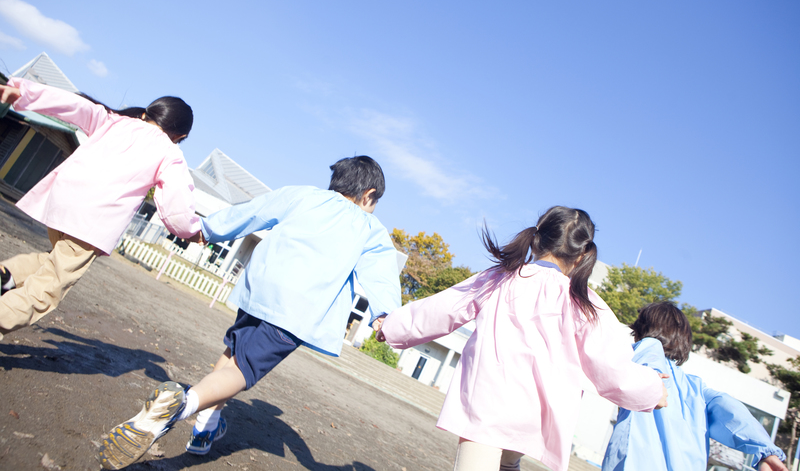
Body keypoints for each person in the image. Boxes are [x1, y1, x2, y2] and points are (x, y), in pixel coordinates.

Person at [98, 155, 402, 470]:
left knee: (233, 353)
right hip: (297, 311)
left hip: (260, 292)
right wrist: (385, 315)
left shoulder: (302, 195)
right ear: (368, 195)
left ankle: (205, 428)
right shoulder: (369, 228)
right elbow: (380, 273)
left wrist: (209, 229)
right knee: (243, 370)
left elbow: (254, 212)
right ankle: (179, 407)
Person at [377, 206, 669, 471]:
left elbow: (442, 309)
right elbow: (610, 366)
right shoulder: (585, 304)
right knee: (509, 463)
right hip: (535, 415)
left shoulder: (500, 278)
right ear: (582, 255)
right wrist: (652, 390)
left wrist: (391, 326)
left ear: (536, 241)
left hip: (486, 403)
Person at [0, 78, 202, 339]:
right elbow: (176, 205)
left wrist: (22, 92)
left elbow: (74, 105)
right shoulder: (170, 154)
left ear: (148, 113)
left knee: (56, 260)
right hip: (90, 223)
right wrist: (191, 231)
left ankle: (7, 274)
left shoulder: (113, 121)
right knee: (45, 291)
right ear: (180, 136)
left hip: (60, 205)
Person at [602, 302, 788, 471]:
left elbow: (649, 358)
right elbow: (731, 411)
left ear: (640, 331)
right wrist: (767, 451)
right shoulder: (696, 389)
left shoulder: (650, 348)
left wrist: (649, 379)